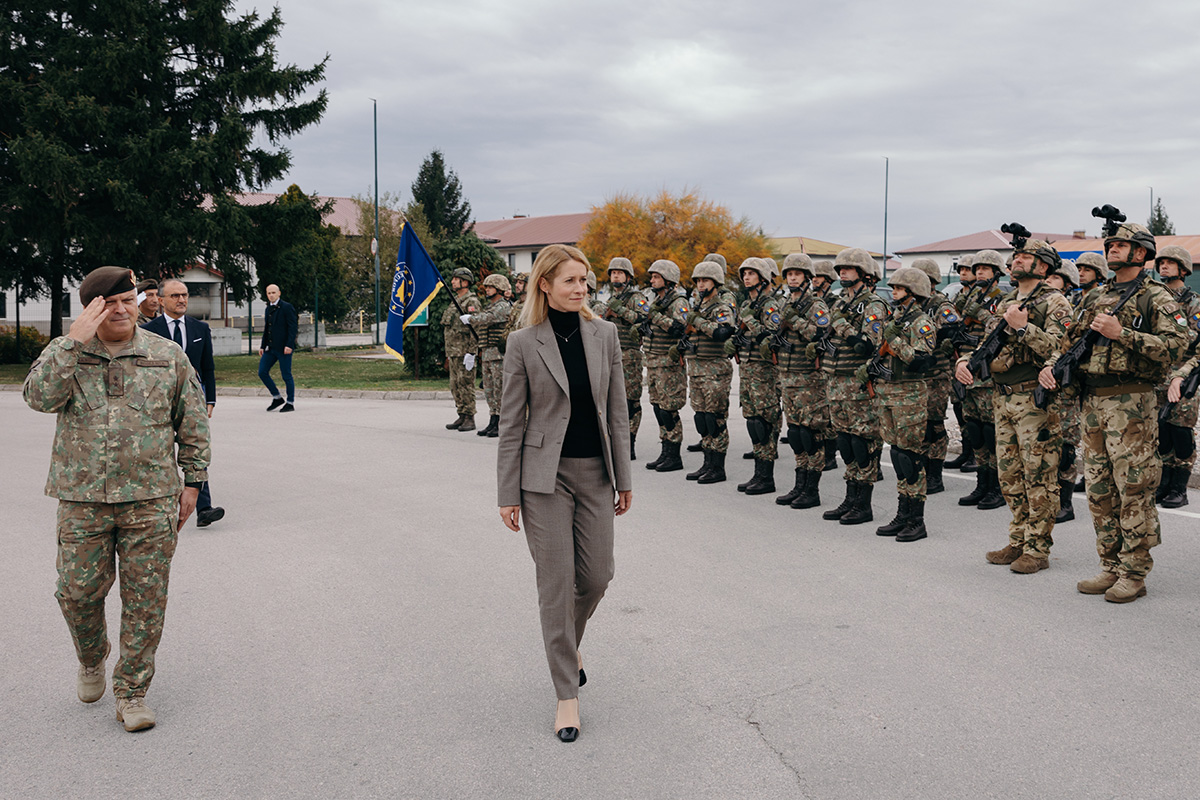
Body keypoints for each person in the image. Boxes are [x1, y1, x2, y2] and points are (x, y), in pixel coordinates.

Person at [23, 266, 211, 732]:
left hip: (150, 498)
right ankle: (92, 655)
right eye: (110, 303)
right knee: (76, 593)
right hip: (82, 498)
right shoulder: (67, 353)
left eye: (129, 299)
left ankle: (132, 691)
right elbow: (38, 398)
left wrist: (193, 481)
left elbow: (192, 419)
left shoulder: (166, 355)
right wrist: (72, 341)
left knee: (146, 599)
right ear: (91, 309)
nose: (123, 309)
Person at [496, 244, 632, 743]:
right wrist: (507, 492)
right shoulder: (523, 343)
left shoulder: (606, 335)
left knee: (597, 575)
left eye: (585, 281)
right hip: (543, 480)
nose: (581, 289)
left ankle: (569, 642)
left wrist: (625, 477)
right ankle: (566, 696)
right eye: (571, 281)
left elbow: (617, 412)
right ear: (545, 285)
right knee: (556, 584)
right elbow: (511, 424)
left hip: (596, 473)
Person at [1038, 222, 1188, 603]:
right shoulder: (1096, 297)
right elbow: (1070, 341)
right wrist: (1053, 363)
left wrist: (1124, 334)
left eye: (1121, 245)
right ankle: (1110, 565)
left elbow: (1176, 346)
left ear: (1140, 252)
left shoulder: (1157, 296)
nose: (1113, 250)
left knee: (1133, 486)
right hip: (1093, 402)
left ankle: (1134, 572)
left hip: (1132, 402)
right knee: (1100, 488)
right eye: (1111, 245)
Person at [962, 240, 1071, 573]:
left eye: (1025, 257)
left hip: (1033, 399)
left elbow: (1060, 349)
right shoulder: (1008, 301)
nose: (1016, 260)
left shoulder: (1056, 302)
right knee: (1009, 475)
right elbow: (986, 343)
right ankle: (1019, 539)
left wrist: (1023, 327)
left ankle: (1038, 549)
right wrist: (966, 360)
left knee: (1038, 474)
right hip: (1002, 396)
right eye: (1017, 256)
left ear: (1042, 266)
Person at [143, 279, 225, 528]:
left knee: (195, 447)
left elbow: (208, 366)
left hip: (193, 397)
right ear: (161, 300)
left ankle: (204, 508)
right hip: (159, 398)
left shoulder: (200, 328)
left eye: (185, 295)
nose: (181, 300)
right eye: (175, 295)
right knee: (160, 448)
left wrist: (210, 398)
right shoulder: (150, 330)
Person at [863, 266, 936, 541]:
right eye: (893, 287)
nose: (893, 291)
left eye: (898, 288)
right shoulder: (895, 318)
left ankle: (917, 520)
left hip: (909, 395)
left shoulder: (921, 322)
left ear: (913, 292)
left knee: (910, 457)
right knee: (896, 454)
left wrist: (895, 343)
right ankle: (902, 514)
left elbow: (922, 359)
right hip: (888, 392)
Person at [820, 247, 888, 524]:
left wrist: (842, 326)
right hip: (835, 380)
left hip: (857, 382)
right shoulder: (839, 304)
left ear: (863, 273)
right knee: (845, 442)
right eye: (840, 269)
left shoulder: (873, 305)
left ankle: (863, 504)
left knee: (863, 443)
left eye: (848, 268)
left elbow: (868, 344)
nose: (842, 272)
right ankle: (850, 498)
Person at [774, 253, 833, 508]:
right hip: (788, 376)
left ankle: (812, 490)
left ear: (808, 278)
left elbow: (819, 333)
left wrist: (793, 320)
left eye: (797, 274)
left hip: (809, 378)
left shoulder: (816, 305)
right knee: (796, 434)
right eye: (789, 274)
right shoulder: (786, 303)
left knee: (811, 434)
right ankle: (799, 485)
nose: (793, 278)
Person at [726, 257, 783, 495]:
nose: (746, 277)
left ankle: (766, 478)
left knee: (764, 422)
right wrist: (734, 342)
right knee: (752, 421)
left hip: (764, 369)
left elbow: (772, 337)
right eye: (745, 273)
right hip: (748, 367)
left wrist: (749, 321)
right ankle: (759, 474)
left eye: (751, 273)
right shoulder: (748, 303)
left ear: (762, 277)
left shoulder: (770, 305)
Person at [954, 250, 1006, 508]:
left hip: (986, 373)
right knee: (974, 428)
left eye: (986, 268)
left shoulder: (1001, 298)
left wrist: (980, 314)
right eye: (978, 268)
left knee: (990, 430)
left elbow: (1000, 329)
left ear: (997, 272)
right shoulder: (971, 296)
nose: (980, 272)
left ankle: (997, 488)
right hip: (966, 369)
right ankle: (981, 483)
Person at [679, 259, 737, 484]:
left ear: (716, 282)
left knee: (715, 419)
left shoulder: (721, 307)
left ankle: (718, 468)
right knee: (701, 419)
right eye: (698, 281)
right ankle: (707, 463)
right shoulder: (698, 307)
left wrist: (699, 323)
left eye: (705, 280)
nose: (701, 285)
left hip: (715, 369)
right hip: (696, 368)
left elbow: (723, 333)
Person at [1152, 245, 1200, 508]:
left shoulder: (1194, 303)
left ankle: (1179, 488)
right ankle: (1164, 484)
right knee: (1161, 431)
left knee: (1181, 432)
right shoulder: (1155, 298)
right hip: (1157, 374)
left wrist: (1180, 374)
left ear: (1183, 269)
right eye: (1161, 263)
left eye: (1170, 263)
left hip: (1184, 372)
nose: (1164, 267)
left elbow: (1195, 341)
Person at [912, 257, 959, 495]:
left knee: (933, 424)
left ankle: (935, 474)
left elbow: (952, 329)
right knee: (918, 425)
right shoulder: (910, 305)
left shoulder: (940, 304)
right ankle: (920, 468)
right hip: (914, 375)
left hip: (936, 373)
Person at [640, 259, 690, 472]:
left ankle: (674, 456)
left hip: (668, 364)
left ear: (668, 280)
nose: (652, 280)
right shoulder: (657, 301)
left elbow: (680, 328)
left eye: (656, 277)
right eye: (652, 276)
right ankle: (665, 450)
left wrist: (657, 317)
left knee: (669, 410)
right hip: (653, 361)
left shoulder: (678, 302)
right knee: (658, 408)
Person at [1044, 261, 1081, 522]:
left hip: (1067, 387)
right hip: (1047, 383)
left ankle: (1065, 504)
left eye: (1055, 278)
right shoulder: (1044, 307)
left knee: (1066, 448)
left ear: (1067, 284)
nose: (1049, 281)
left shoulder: (1067, 309)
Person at [601, 258, 647, 459]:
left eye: (620, 273)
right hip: (611, 353)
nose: (616, 276)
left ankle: (630, 442)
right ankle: (616, 441)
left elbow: (643, 319)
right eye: (613, 273)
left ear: (628, 277)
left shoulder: (636, 297)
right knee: (613, 401)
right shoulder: (611, 298)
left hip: (630, 353)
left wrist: (618, 310)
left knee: (630, 401)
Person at [464, 273, 513, 438]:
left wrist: (471, 318)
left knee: (499, 390)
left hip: (498, 355)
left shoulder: (503, 306)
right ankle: (493, 419)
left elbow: (489, 319)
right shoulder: (490, 306)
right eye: (486, 287)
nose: (487, 290)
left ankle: (501, 422)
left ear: (499, 289)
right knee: (490, 391)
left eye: (490, 287)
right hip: (487, 353)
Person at [945, 256, 978, 472]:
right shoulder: (960, 295)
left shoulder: (984, 298)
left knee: (975, 411)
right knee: (959, 406)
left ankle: (975, 454)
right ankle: (966, 451)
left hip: (973, 358)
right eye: (961, 269)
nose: (963, 273)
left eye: (968, 269)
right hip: (957, 357)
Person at [442, 268, 482, 432]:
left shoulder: (471, 302)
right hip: (454, 352)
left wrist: (472, 352)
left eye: (456, 279)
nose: (452, 282)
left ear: (464, 282)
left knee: (466, 385)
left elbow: (476, 329)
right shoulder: (456, 300)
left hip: (465, 352)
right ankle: (462, 414)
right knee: (455, 385)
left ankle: (470, 417)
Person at [258, 284, 297, 412]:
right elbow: (267, 328)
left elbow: (292, 328)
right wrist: (263, 346)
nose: (271, 295)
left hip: (284, 348)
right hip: (271, 348)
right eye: (269, 293)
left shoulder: (286, 307)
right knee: (262, 372)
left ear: (279, 293)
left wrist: (289, 345)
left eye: (273, 292)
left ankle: (290, 402)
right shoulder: (268, 309)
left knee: (286, 375)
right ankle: (277, 397)